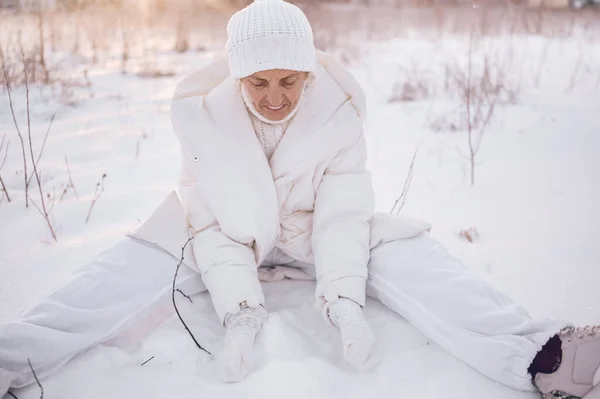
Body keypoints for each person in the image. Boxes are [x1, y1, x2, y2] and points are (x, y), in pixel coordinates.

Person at [1, 0, 599, 398]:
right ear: (237, 77)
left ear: (309, 72)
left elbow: (342, 216)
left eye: (289, 80)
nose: (275, 97)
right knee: (123, 267)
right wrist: (240, 312)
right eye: (258, 83)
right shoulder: (202, 120)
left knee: (414, 255)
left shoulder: (339, 116)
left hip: (314, 234)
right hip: (222, 234)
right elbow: (211, 226)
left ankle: (542, 357)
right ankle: (10, 357)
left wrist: (344, 302)